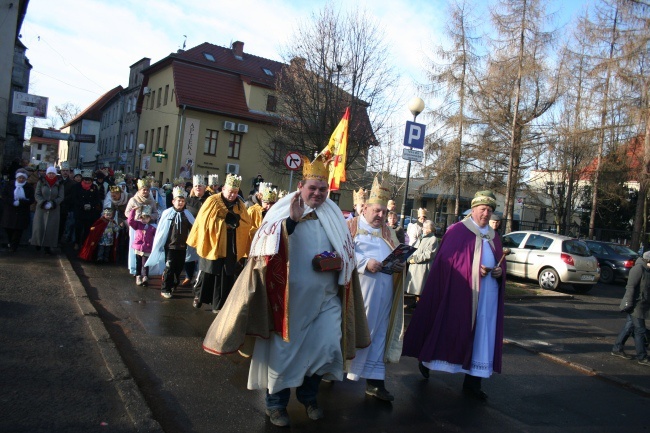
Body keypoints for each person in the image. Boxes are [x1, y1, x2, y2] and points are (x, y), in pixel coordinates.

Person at [201, 155, 369, 427]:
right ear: (301, 185)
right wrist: (291, 223)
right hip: (289, 303)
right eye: (312, 188)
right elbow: (264, 246)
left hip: (327, 299)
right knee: (284, 355)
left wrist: (339, 261)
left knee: (327, 348)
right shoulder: (283, 209)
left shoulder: (334, 215)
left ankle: (308, 395)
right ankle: (276, 405)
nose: (317, 193)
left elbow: (347, 252)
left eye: (322, 189)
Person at [402, 190, 505, 401]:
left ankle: (473, 382)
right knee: (450, 328)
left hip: (488, 297)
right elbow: (447, 263)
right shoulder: (458, 231)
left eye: (490, 210)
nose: (486, 214)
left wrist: (499, 272)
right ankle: (427, 359)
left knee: (482, 337)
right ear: (473, 210)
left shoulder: (494, 236)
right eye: (483, 209)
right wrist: (474, 268)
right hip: (461, 294)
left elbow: (501, 262)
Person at [346, 177, 405, 402]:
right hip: (357, 293)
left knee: (379, 335)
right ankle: (331, 374)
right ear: (366, 208)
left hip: (383, 294)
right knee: (355, 332)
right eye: (376, 211)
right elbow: (341, 252)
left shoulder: (388, 232)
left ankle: (375, 384)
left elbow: (397, 252)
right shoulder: (350, 226)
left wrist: (399, 265)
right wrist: (364, 263)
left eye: (383, 212)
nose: (380, 215)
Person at [187, 173, 252, 313]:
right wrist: (222, 224)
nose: (232, 195)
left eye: (235, 193)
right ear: (223, 189)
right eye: (230, 192)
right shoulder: (212, 201)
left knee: (225, 274)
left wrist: (236, 224)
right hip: (213, 242)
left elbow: (247, 223)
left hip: (230, 244)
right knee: (208, 271)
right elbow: (203, 221)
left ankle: (219, 304)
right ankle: (199, 296)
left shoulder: (240, 205)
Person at [146, 186, 197, 299]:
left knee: (178, 268)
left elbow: (194, 228)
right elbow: (161, 229)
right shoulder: (167, 213)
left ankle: (174, 284)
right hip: (170, 246)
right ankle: (165, 288)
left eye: (183, 201)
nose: (180, 203)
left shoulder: (187, 214)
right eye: (178, 201)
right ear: (173, 201)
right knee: (169, 268)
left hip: (182, 247)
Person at [611, 251, 650, 366]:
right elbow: (630, 287)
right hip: (635, 304)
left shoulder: (647, 270)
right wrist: (628, 303)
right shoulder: (638, 269)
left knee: (629, 327)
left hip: (642, 304)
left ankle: (617, 349)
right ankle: (642, 357)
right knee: (640, 330)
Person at [124, 176, 159, 276]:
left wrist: (150, 216)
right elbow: (126, 213)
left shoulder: (151, 201)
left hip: (148, 226)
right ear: (139, 190)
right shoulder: (133, 200)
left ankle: (145, 271)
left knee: (146, 248)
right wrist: (136, 215)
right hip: (136, 227)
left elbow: (156, 213)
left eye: (147, 190)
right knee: (136, 248)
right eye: (144, 190)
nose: (145, 192)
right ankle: (135, 268)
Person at [182, 174, 213, 287]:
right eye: (196, 186)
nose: (198, 188)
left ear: (205, 187)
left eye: (200, 186)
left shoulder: (209, 200)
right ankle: (188, 276)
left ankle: (199, 276)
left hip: (205, 232)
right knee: (189, 255)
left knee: (202, 255)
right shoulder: (188, 200)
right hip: (191, 231)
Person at [404, 220, 439, 306]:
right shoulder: (421, 237)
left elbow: (428, 254)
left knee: (420, 288)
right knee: (415, 287)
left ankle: (420, 305)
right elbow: (413, 248)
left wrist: (415, 259)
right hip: (415, 266)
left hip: (422, 267)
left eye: (424, 227)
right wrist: (409, 257)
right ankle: (415, 302)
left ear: (429, 229)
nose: (422, 229)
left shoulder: (433, 239)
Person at [31, 166, 64, 254]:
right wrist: (43, 203)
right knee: (39, 226)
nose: (51, 175)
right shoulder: (41, 182)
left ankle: (48, 245)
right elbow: (37, 194)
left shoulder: (59, 183)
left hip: (54, 209)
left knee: (51, 228)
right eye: (49, 173)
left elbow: (61, 196)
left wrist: (53, 203)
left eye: (53, 173)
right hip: (41, 208)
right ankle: (37, 243)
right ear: (47, 174)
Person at [1, 169, 35, 251]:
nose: (21, 179)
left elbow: (31, 199)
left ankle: (14, 246)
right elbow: (4, 196)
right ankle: (10, 242)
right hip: (10, 210)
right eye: (19, 178)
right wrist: (12, 201)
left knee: (18, 230)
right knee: (8, 228)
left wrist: (22, 202)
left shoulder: (28, 187)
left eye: (23, 178)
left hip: (22, 211)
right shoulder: (9, 185)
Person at [72, 169, 103, 250]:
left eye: (89, 179)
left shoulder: (94, 187)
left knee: (87, 229)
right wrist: (82, 205)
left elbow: (97, 199)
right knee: (78, 228)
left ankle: (84, 243)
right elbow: (75, 198)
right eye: (85, 179)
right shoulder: (77, 187)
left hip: (90, 212)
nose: (87, 181)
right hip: (80, 211)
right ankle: (77, 242)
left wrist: (91, 205)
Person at [127, 205, 156, 286]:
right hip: (139, 247)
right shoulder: (138, 225)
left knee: (146, 263)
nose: (144, 220)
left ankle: (145, 276)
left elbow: (157, 235)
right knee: (138, 262)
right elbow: (130, 221)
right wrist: (133, 211)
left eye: (146, 218)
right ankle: (138, 275)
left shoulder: (152, 228)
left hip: (147, 247)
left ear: (149, 219)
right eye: (142, 218)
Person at [57, 161, 75, 244]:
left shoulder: (72, 183)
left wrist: (63, 199)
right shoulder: (57, 181)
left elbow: (72, 195)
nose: (65, 172)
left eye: (67, 170)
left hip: (65, 207)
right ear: (61, 171)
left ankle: (59, 240)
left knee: (62, 225)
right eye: (63, 170)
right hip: (56, 205)